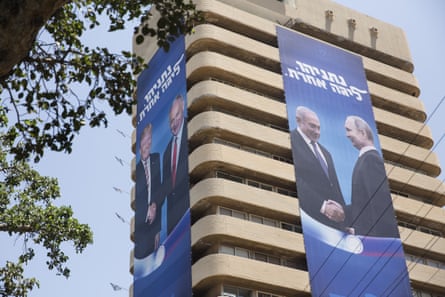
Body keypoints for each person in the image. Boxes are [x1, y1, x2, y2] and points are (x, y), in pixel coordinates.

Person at [290, 106, 346, 230]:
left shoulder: (326, 153)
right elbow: (296, 179)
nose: (317, 132)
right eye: (312, 126)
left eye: (319, 127)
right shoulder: (291, 141)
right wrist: (323, 206)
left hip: (334, 225)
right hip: (309, 220)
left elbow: (335, 188)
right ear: (299, 121)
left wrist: (344, 222)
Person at [344, 115, 399, 237]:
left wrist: (364, 234)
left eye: (348, 130)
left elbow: (380, 202)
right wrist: (342, 211)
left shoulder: (370, 159)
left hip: (376, 242)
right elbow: (364, 203)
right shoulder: (366, 159)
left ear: (362, 133)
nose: (347, 135)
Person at [134, 123, 163, 259]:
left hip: (154, 224)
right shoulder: (138, 170)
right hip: (141, 226)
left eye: (150, 140)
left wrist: (157, 229)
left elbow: (159, 189)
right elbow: (139, 201)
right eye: (146, 140)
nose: (148, 144)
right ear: (140, 143)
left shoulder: (156, 159)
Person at [163, 94, 190, 235]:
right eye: (171, 120)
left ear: (183, 108)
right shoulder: (167, 151)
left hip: (190, 211)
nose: (173, 123)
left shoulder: (192, 128)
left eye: (177, 116)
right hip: (173, 223)